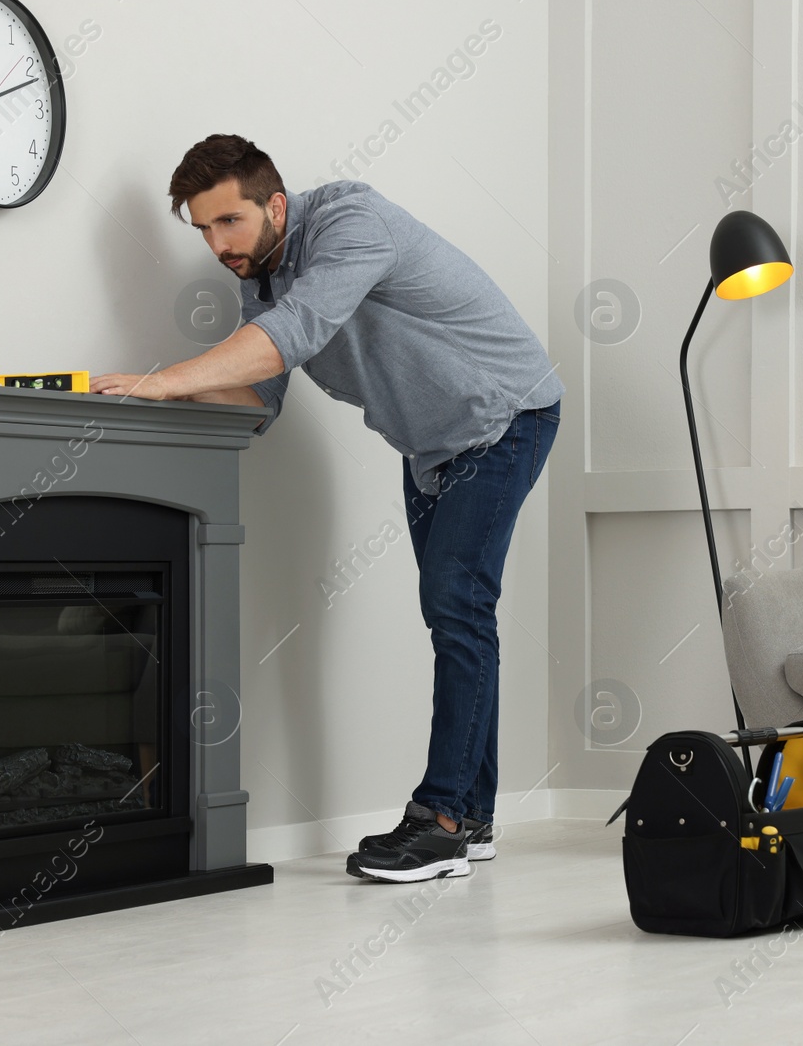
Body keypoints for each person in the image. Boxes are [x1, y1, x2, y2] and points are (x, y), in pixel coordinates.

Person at [91, 134, 563, 883]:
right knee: (461, 612)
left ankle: (439, 820)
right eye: (204, 230)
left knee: (455, 604)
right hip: (430, 445)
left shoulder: (352, 225)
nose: (217, 245)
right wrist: (145, 392)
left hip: (505, 414)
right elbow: (258, 399)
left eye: (229, 223)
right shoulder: (261, 281)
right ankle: (470, 819)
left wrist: (169, 380)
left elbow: (294, 335)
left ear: (275, 204)